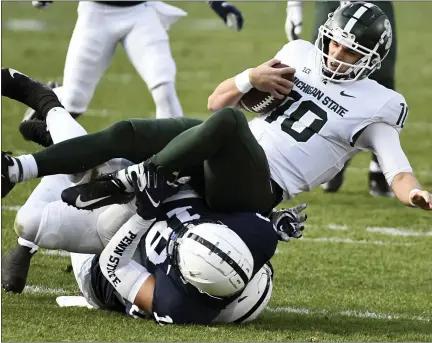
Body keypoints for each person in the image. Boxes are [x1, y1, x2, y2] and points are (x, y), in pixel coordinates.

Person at [2, 2, 431, 213]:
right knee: (129, 132)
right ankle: (15, 170)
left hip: (259, 187)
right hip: (221, 151)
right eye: (335, 41)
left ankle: (134, 178)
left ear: (373, 58)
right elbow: (217, 99)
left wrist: (413, 193)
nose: (337, 53)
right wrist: (251, 78)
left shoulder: (380, 103)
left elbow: (396, 169)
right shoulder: (300, 53)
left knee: (227, 122)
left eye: (351, 52)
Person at [285, 0, 398, 196]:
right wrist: (294, 5)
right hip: (331, 4)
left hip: (376, 5)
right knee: (323, 71)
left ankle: (381, 165)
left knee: (382, 74)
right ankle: (332, 155)